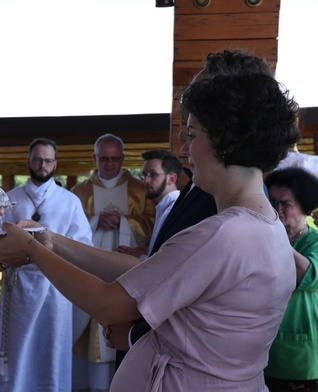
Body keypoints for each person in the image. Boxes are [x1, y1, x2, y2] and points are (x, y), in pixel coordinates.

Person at [0, 72, 300, 390]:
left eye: (192, 134)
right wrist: (50, 241)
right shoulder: (267, 223)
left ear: (225, 139)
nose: (184, 149)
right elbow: (152, 270)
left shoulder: (222, 234)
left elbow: (108, 304)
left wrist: (30, 250)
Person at [109, 49, 276, 367]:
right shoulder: (205, 188)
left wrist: (134, 334)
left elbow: (200, 299)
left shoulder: (229, 214)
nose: (184, 146)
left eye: (192, 133)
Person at [0, 138, 92, 392]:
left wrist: (47, 237)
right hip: (18, 288)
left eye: (47, 160)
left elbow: (82, 244)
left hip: (55, 286)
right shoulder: (9, 199)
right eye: (37, 159)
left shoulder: (69, 201)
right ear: (28, 162)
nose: (42, 165)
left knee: (50, 350)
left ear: (55, 164)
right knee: (16, 350)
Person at [70, 133, 154, 391]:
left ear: (122, 158)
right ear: (94, 158)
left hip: (126, 274)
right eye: (104, 159)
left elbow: (155, 225)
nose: (109, 164)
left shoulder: (140, 189)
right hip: (88, 273)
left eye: (115, 159)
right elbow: (68, 231)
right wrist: (96, 221)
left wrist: (125, 223)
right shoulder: (79, 192)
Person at [265, 167, 318, 392]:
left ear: (305, 208)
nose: (277, 210)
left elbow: (309, 275)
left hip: (298, 356)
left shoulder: (313, 241)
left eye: (285, 204)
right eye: (272, 203)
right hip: (260, 352)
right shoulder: (263, 239)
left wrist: (278, 236)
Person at [117, 149, 182, 260]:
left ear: (171, 178)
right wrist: (146, 252)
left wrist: (141, 257)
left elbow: (173, 260)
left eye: (153, 175)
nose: (146, 181)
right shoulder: (164, 207)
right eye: (144, 175)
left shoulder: (176, 210)